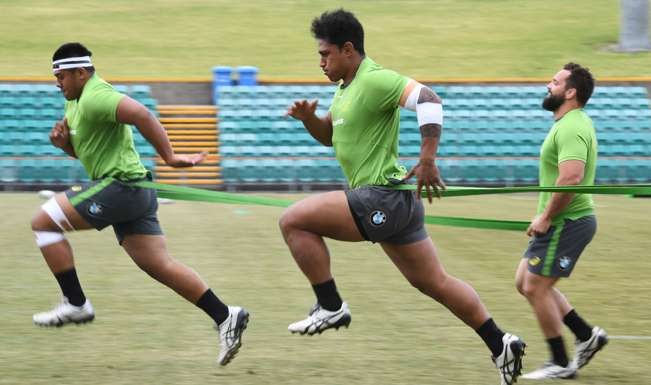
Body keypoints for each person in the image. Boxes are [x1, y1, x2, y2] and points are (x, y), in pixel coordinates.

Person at [280, 9, 525, 385]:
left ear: (348, 50)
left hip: (381, 197)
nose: (321, 62)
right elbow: (330, 135)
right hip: (396, 202)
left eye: (325, 54)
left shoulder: (375, 79)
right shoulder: (346, 89)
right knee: (434, 282)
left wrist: (427, 158)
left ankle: (330, 306)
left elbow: (428, 98)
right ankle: (500, 342)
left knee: (293, 220)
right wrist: (309, 120)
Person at [31, 42, 248, 366]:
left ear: (80, 72)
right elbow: (89, 152)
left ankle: (75, 303)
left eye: (61, 76)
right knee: (159, 265)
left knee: (43, 222)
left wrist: (170, 157)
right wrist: (64, 146)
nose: (57, 83)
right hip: (134, 190)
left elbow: (141, 113)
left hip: (120, 187)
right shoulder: (76, 103)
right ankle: (225, 315)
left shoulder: (95, 95)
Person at [517, 63, 608, 380]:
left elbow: (571, 178)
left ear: (570, 92)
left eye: (554, 82)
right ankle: (586, 335)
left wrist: (546, 216)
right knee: (524, 282)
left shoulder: (572, 126)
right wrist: (543, 214)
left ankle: (560, 361)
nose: (547, 85)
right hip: (561, 219)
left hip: (568, 221)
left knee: (535, 285)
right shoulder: (568, 123)